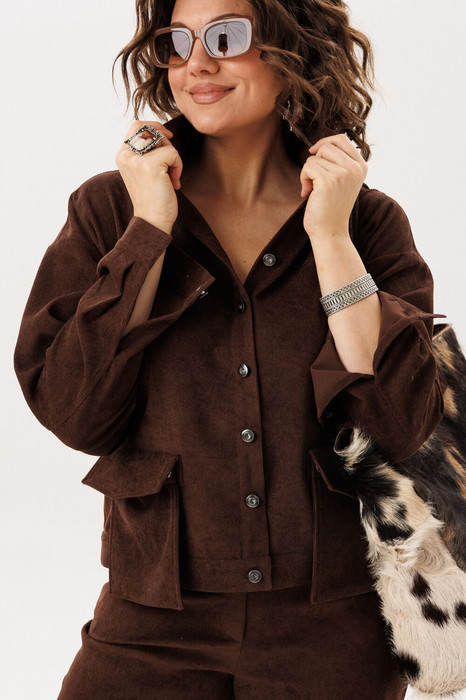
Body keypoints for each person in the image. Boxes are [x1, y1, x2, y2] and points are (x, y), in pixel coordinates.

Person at [14, 0, 447, 698]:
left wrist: (331, 240)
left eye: (226, 36)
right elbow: (75, 413)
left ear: (291, 50)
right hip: (152, 614)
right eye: (176, 41)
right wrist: (150, 231)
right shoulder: (110, 211)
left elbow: (401, 424)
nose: (197, 63)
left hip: (332, 624)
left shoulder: (366, 222)